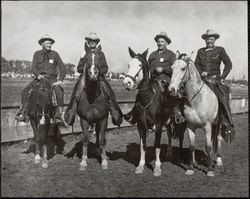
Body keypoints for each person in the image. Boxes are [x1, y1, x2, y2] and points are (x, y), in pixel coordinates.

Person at [124, 31, 185, 124]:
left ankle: (176, 113)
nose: (160, 43)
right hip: (153, 80)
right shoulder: (152, 55)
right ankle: (134, 113)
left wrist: (163, 69)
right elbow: (146, 68)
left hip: (166, 79)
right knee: (141, 90)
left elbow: (175, 69)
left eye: (162, 41)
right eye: (158, 41)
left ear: (166, 43)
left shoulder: (171, 55)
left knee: (168, 91)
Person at [64, 32, 123, 127]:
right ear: (88, 42)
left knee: (108, 89)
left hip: (98, 77)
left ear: (97, 42)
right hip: (85, 77)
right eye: (90, 40)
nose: (92, 42)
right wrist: (86, 71)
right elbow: (79, 68)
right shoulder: (84, 53)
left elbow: (105, 67)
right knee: (76, 89)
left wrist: (98, 72)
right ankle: (72, 110)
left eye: (94, 41)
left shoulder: (101, 53)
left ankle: (114, 110)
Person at [15, 34, 69, 127]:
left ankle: (59, 115)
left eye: (51, 43)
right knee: (25, 91)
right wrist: (38, 75)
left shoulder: (55, 54)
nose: (50, 45)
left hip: (52, 79)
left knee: (59, 93)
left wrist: (60, 80)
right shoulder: (36, 54)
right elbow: (33, 68)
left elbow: (63, 68)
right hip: (39, 78)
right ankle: (23, 113)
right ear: (42, 44)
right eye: (48, 43)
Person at [194, 29, 236, 142]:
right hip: (202, 80)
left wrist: (222, 78)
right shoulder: (200, 51)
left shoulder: (220, 50)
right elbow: (195, 65)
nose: (209, 40)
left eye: (211, 38)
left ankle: (226, 121)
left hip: (215, 79)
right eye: (207, 38)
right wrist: (200, 71)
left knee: (223, 95)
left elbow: (229, 64)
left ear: (215, 39)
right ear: (205, 40)